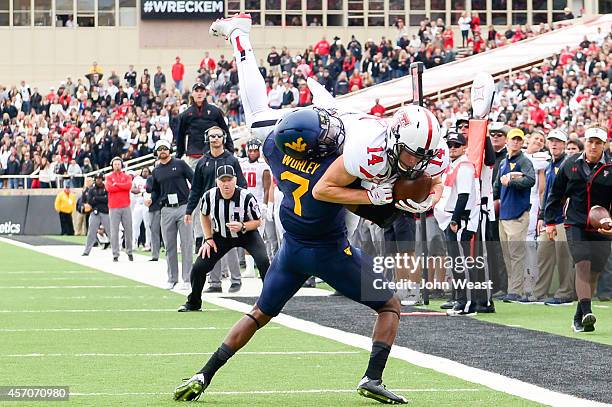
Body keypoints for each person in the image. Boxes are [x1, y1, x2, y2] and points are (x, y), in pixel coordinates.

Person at [173, 13, 407, 404]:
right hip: (329, 252)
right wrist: (386, 194)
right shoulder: (335, 168)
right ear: (319, 146)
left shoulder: (274, 150)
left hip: (292, 251)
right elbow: (354, 189)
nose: (331, 132)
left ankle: (204, 372)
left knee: (257, 315)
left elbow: (292, 132)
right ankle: (372, 377)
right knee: (390, 305)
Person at [544, 127, 612, 333]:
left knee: (595, 271)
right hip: (575, 222)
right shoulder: (570, 163)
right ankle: (588, 311)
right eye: (590, 141)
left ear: (604, 145)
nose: (593, 146)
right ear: (585, 142)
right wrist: (549, 221)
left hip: (602, 224)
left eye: (598, 143)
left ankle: (579, 316)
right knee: (582, 264)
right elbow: (555, 194)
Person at [178, 165, 269, 311]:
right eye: (223, 180)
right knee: (199, 268)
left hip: (247, 234)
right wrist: (208, 239)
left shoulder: (246, 197)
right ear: (217, 181)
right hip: (221, 235)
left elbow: (258, 221)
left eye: (229, 180)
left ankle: (270, 302)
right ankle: (194, 302)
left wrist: (243, 226)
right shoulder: (209, 196)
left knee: (264, 262)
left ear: (235, 180)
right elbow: (204, 215)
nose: (226, 184)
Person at [184, 126, 247, 293]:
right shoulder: (203, 162)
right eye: (212, 136)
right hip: (208, 208)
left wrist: (240, 207)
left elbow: (242, 184)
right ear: (207, 138)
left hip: (228, 207)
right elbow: (196, 188)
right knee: (210, 242)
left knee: (231, 243)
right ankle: (215, 282)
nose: (215, 139)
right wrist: (189, 210)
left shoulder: (232, 160)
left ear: (223, 138)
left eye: (218, 135)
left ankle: (235, 279)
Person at [434, 132, 480, 315]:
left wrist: (455, 219)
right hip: (451, 218)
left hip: (460, 219)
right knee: (456, 263)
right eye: (450, 144)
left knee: (462, 263)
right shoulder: (452, 165)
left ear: (463, 147)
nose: (452, 148)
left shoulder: (465, 165)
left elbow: (464, 195)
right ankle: (460, 301)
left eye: (456, 145)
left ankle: (468, 303)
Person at [493, 128, 535, 302]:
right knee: (507, 255)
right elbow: (497, 184)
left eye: (519, 140)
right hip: (504, 214)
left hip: (517, 213)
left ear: (522, 142)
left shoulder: (524, 161)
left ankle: (515, 290)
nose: (516, 142)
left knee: (516, 254)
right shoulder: (503, 162)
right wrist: (494, 197)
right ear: (508, 141)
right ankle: (512, 287)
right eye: (513, 139)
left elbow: (530, 180)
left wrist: (512, 181)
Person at [533, 129, 574, 304]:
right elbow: (547, 193)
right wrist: (542, 215)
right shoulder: (550, 165)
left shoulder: (568, 164)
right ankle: (539, 292)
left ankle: (565, 293)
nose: (554, 144)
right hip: (549, 218)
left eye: (558, 141)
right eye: (552, 141)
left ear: (564, 144)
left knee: (564, 258)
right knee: (543, 256)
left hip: (563, 218)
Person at [150, 140, 195, 290]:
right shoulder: (156, 171)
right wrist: (151, 198)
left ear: (169, 150)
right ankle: (172, 278)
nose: (162, 151)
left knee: (187, 244)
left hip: (183, 206)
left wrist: (192, 201)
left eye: (165, 148)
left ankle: (187, 279)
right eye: (159, 149)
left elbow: (193, 179)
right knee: (169, 245)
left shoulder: (180, 164)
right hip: (166, 209)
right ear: (156, 153)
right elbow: (156, 190)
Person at [239, 138, 272, 273]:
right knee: (245, 234)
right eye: (250, 150)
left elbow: (266, 188)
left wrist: (265, 204)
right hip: (243, 202)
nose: (252, 153)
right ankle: (249, 268)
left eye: (255, 151)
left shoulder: (263, 166)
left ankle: (261, 266)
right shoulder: (241, 163)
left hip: (257, 203)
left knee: (257, 236)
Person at [105, 156, 134, 262]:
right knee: (114, 231)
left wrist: (117, 185)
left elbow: (128, 186)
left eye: (118, 164)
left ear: (121, 165)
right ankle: (115, 253)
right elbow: (109, 188)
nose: (117, 166)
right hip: (114, 207)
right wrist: (120, 186)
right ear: (112, 165)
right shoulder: (108, 177)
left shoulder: (127, 176)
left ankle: (129, 251)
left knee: (128, 230)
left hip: (125, 206)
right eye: (115, 164)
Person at [82, 174, 111, 256]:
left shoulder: (107, 188)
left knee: (110, 231)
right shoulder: (91, 189)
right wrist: (102, 198)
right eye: (97, 179)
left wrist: (97, 198)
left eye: (100, 179)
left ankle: (116, 250)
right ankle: (86, 250)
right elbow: (90, 201)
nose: (99, 180)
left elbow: (108, 199)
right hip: (95, 212)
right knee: (91, 231)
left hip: (105, 212)